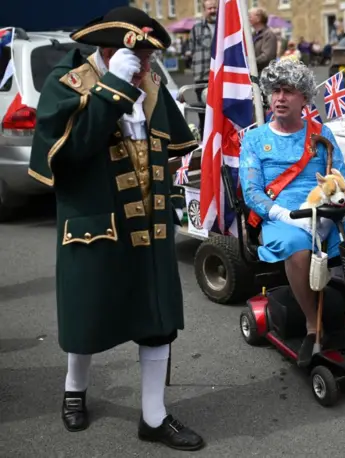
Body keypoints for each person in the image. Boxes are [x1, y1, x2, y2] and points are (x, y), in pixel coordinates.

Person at [27, 6, 204, 451]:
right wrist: (112, 91)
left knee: (157, 316)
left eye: (148, 55)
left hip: (150, 221)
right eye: (138, 53)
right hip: (95, 219)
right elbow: (68, 156)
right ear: (109, 49)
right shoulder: (66, 84)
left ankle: (153, 415)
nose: (145, 63)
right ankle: (74, 388)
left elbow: (172, 145)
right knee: (88, 313)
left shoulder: (151, 84)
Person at [239, 59, 345, 367]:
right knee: (297, 249)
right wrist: (281, 214)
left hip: (326, 212)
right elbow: (251, 192)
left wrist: (336, 206)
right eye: (275, 91)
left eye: (289, 91)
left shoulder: (322, 133)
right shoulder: (254, 140)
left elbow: (341, 176)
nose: (280, 98)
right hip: (283, 216)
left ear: (304, 97)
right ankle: (312, 324)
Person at [186, 0, 217, 137]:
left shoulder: (224, 27)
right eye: (209, 8)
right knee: (202, 108)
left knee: (220, 107)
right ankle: (205, 135)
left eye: (214, 8)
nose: (212, 10)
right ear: (204, 10)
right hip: (201, 75)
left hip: (219, 74)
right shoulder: (196, 28)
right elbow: (191, 49)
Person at [249, 7, 278, 74]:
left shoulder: (269, 35)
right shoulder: (252, 35)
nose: (248, 18)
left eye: (250, 16)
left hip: (264, 75)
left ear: (258, 18)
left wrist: (249, 63)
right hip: (254, 73)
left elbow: (266, 57)